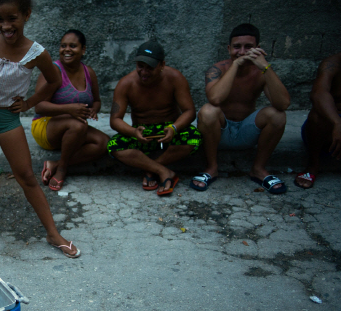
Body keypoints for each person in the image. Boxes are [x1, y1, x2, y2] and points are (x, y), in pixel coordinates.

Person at [0, 0, 80, 258]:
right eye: (0, 19)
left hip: (7, 117)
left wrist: (29, 103)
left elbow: (55, 81)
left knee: (26, 177)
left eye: (12, 18)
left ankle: (52, 233)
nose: (5, 26)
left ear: (26, 15)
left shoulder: (36, 53)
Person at [190, 23, 291, 194]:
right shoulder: (217, 69)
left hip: (247, 130)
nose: (242, 52)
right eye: (237, 47)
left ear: (257, 48)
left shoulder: (262, 71)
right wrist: (236, 65)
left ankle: (258, 169)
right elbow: (215, 98)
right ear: (229, 48)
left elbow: (283, 104)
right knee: (207, 111)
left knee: (277, 115)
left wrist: (265, 66)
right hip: (220, 132)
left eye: (248, 47)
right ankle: (212, 168)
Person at [107, 41, 201, 196]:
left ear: (162, 64)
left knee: (194, 137)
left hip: (169, 131)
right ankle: (163, 171)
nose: (144, 72)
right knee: (114, 145)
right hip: (143, 133)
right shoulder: (126, 84)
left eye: (149, 67)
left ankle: (151, 170)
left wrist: (174, 128)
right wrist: (133, 132)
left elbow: (189, 111)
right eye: (140, 66)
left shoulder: (175, 78)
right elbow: (115, 120)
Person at [31, 29, 109, 192]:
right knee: (77, 125)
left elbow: (97, 101)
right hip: (45, 126)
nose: (66, 50)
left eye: (73, 46)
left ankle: (55, 163)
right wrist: (70, 109)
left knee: (103, 143)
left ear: (83, 50)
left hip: (73, 130)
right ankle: (62, 170)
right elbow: (39, 106)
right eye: (63, 46)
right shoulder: (52, 71)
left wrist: (94, 110)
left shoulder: (89, 73)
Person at [294, 53, 341, 189]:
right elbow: (318, 93)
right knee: (317, 114)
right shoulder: (332, 63)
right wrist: (337, 123)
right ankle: (313, 165)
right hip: (331, 126)